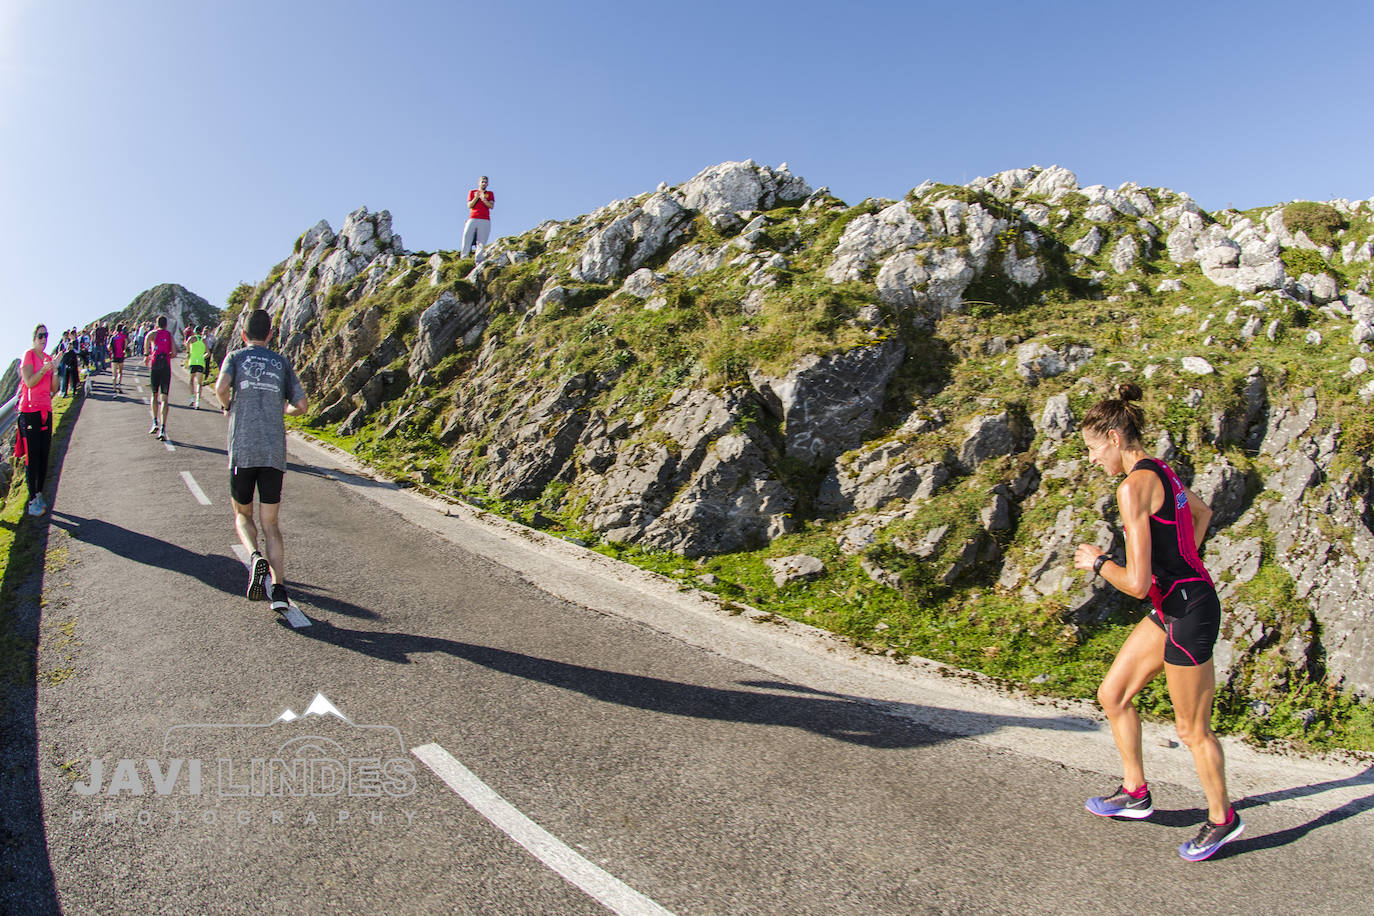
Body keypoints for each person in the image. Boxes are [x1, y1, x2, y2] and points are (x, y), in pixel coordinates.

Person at [1074, 383, 1242, 862]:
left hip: (1187, 611)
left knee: (1192, 730)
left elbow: (1135, 580)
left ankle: (1222, 820)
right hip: (1176, 600)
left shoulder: (1133, 488)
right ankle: (1135, 793)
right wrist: (1181, 562)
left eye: (1092, 448)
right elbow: (1202, 512)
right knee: (1114, 694)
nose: (1091, 459)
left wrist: (1099, 561)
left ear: (1113, 437)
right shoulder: (1161, 470)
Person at [215, 309, 308, 613]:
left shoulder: (235, 357)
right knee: (272, 524)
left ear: (243, 334)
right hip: (273, 453)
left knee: (243, 514)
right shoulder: (281, 363)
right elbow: (302, 405)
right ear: (270, 335)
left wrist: (228, 406)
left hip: (243, 450)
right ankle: (279, 590)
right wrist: (283, 412)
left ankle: (255, 558)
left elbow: (220, 388)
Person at [17, 325, 56, 516]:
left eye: (46, 335)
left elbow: (53, 389)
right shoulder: (29, 355)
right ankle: (32, 499)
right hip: (29, 411)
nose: (43, 339)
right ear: (34, 338)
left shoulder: (48, 359)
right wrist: (44, 371)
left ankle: (39, 494)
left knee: (43, 454)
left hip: (45, 410)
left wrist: (54, 371)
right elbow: (29, 382)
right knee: (32, 456)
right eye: (40, 335)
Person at [145, 315, 175, 441]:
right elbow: (174, 353)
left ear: (156, 324)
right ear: (166, 324)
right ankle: (163, 427)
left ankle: (155, 422)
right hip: (165, 368)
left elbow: (146, 352)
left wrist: (148, 355)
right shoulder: (169, 335)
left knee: (154, 394)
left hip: (155, 366)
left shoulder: (151, 334)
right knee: (164, 398)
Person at [460, 175, 494, 258]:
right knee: (466, 237)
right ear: (479, 183)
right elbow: (469, 205)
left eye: (485, 182)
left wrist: (483, 199)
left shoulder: (490, 194)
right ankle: (464, 258)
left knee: (481, 241)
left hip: (485, 219)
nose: (484, 183)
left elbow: (491, 206)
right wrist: (476, 197)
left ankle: (478, 259)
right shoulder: (472, 192)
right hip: (473, 217)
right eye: (482, 182)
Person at [184, 328, 209, 408]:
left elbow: (186, 343)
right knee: (199, 383)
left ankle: (192, 399)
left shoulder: (192, 338)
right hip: (200, 362)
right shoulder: (203, 340)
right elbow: (208, 353)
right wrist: (203, 357)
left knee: (191, 381)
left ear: (194, 331)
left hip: (193, 361)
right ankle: (197, 402)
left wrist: (188, 352)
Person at [109, 324, 128, 392]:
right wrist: (124, 350)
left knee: (114, 374)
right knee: (120, 372)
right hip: (121, 356)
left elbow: (109, 347)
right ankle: (119, 385)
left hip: (114, 356)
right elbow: (125, 345)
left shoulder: (113, 337)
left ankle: (114, 388)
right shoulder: (123, 337)